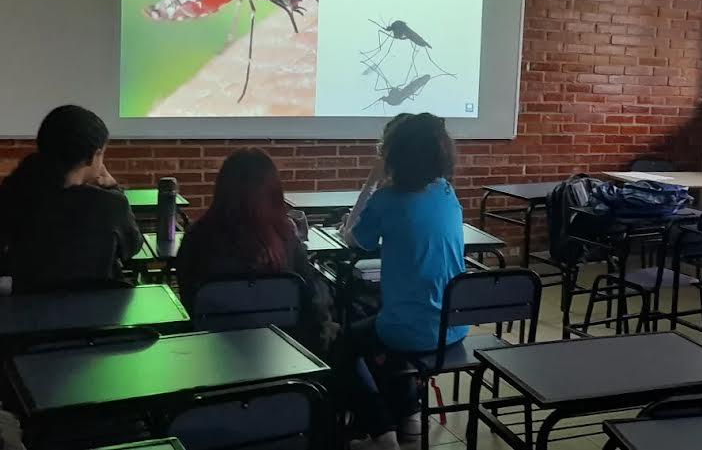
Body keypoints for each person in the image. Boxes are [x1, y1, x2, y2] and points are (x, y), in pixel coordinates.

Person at [338, 113, 466, 450]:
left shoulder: (386, 199)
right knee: (386, 322)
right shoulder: (447, 192)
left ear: (393, 154)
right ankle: (410, 419)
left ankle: (381, 431)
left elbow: (353, 239)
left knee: (342, 343)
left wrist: (371, 180)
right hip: (453, 326)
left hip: (409, 331)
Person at [176, 148, 336, 355]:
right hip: (285, 359)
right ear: (274, 190)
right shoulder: (286, 237)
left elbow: (187, 300)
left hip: (212, 356)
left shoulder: (196, 238)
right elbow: (309, 298)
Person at [0, 105, 142, 292]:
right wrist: (114, 188)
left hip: (27, 311)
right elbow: (131, 248)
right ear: (93, 157)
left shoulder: (12, 194)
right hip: (99, 312)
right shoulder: (112, 204)